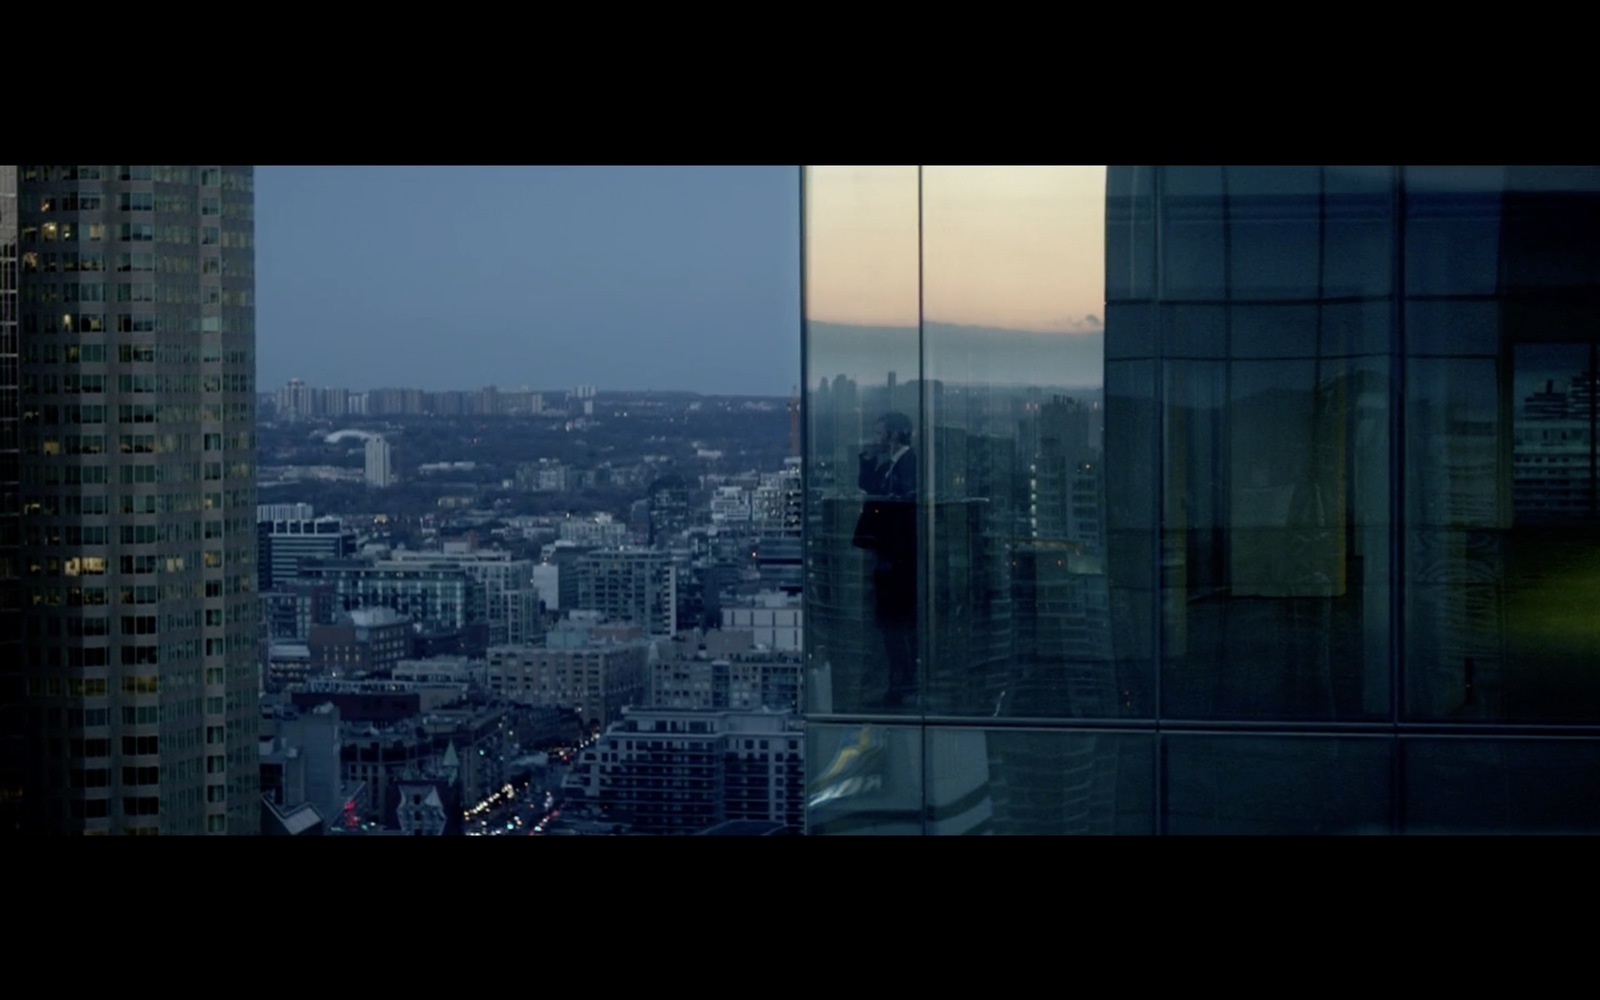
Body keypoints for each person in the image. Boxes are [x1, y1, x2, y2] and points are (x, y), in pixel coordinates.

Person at [853, 412, 917, 708]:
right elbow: (871, 488)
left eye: (880, 434)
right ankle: (899, 681)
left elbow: (898, 505)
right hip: (891, 559)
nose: (877, 439)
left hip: (897, 562)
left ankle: (902, 682)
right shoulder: (893, 465)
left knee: (895, 624)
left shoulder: (908, 465)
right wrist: (866, 457)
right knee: (890, 624)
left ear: (894, 436)